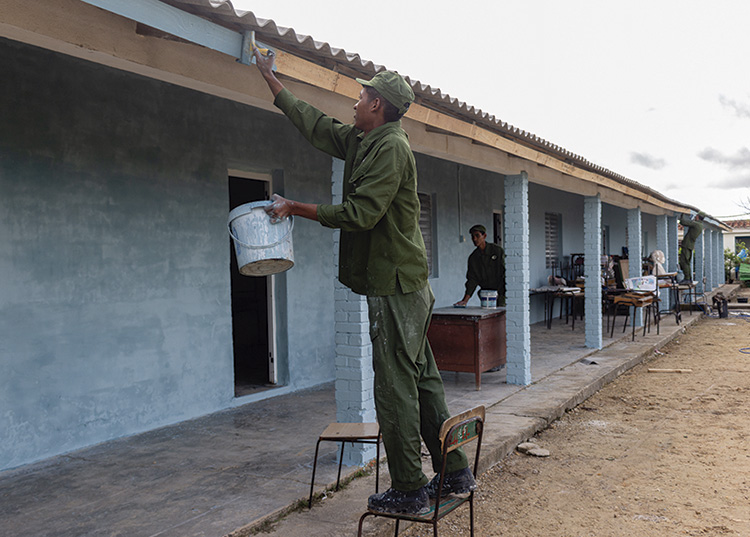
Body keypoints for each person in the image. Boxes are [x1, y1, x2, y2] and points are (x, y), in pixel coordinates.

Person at [252, 47, 474, 515]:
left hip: (397, 287)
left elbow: (361, 213)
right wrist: (271, 80)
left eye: (360, 96)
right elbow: (316, 125)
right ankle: (454, 472)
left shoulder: (392, 147)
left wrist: (295, 208)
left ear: (378, 106)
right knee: (423, 379)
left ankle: (409, 488)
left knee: (393, 387)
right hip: (403, 285)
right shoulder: (364, 139)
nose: (353, 103)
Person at [454, 224, 506, 307]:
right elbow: (472, 280)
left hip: (502, 293)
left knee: (502, 317)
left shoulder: (497, 251)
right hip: (486, 295)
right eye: (472, 236)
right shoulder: (473, 258)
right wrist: (464, 301)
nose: (474, 239)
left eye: (477, 236)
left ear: (484, 236)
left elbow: (506, 271)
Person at [679, 212, 704, 283]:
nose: (695, 217)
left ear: (698, 217)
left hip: (687, 245)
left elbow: (683, 222)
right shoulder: (700, 225)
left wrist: (682, 214)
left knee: (684, 262)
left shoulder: (696, 224)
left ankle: (687, 278)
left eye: (696, 216)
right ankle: (688, 278)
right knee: (687, 262)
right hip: (690, 245)